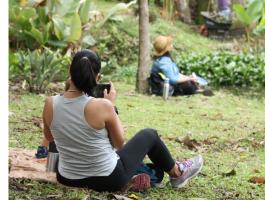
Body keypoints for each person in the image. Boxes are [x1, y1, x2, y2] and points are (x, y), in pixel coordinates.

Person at [41, 49, 203, 192]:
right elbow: (119, 144)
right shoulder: (103, 105)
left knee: (155, 171)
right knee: (150, 135)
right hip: (108, 179)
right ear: (97, 77)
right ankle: (178, 173)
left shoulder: (50, 103)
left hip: (67, 178)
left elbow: (50, 138)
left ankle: (146, 175)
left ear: (70, 71)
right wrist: (111, 105)